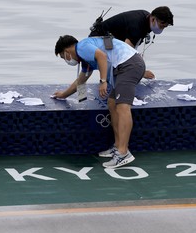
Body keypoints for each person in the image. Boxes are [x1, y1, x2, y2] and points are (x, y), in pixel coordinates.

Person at [54, 35, 146, 168]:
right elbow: (82, 80)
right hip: (125, 67)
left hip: (128, 65)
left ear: (67, 51)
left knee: (122, 107)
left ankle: (123, 153)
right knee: (112, 103)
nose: (66, 60)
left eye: (63, 57)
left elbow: (101, 56)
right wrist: (63, 95)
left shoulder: (82, 47)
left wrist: (103, 82)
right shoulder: (85, 59)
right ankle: (117, 146)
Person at [89, 6, 174, 79]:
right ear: (153, 19)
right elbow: (126, 55)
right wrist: (142, 73)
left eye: (164, 27)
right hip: (98, 39)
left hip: (110, 39)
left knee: (88, 71)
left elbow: (132, 48)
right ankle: (104, 88)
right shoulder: (137, 25)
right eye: (161, 26)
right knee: (114, 67)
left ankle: (84, 93)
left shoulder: (147, 19)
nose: (161, 29)